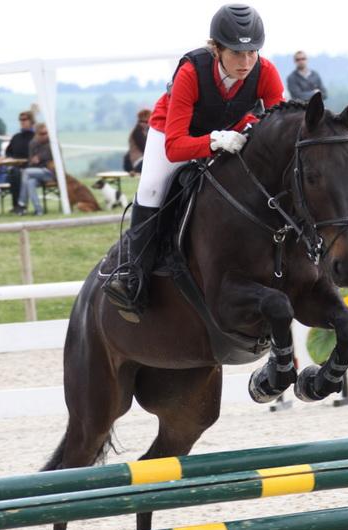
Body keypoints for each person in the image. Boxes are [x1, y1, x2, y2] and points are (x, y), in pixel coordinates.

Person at [102, 3, 284, 319]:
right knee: (152, 189)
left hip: (228, 133)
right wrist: (215, 141)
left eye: (251, 53)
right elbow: (176, 147)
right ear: (217, 49)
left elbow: (278, 123)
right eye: (236, 53)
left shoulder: (265, 71)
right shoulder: (191, 72)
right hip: (172, 133)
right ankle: (133, 278)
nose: (245, 62)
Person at [15, 123, 54, 216]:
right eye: (42, 134)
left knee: (25, 172)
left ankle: (21, 204)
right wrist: (33, 161)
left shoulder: (52, 143)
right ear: (36, 134)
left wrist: (39, 159)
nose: (45, 135)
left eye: (46, 133)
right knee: (30, 182)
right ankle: (38, 210)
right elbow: (31, 162)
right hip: (36, 172)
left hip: (50, 172)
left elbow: (50, 159)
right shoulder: (33, 143)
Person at [4, 111, 36, 209]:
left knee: (18, 174)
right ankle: (16, 204)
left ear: (31, 121)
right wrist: (10, 158)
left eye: (25, 119)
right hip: (16, 166)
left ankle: (20, 205)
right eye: (20, 120)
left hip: (30, 167)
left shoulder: (35, 137)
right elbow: (8, 151)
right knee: (13, 173)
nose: (22, 122)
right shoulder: (16, 137)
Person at [124, 109, 151, 173]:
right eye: (142, 121)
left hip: (144, 160)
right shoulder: (137, 132)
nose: (144, 124)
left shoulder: (145, 131)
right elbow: (145, 149)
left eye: (147, 122)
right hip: (138, 161)